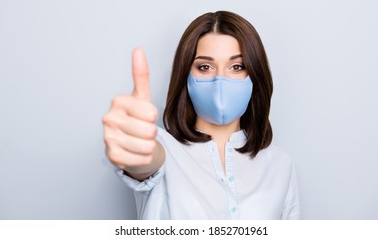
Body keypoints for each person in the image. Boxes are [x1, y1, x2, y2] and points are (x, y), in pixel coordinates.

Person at [102, 11, 300, 219]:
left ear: (255, 76)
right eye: (205, 67)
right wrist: (132, 145)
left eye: (237, 67)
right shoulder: (162, 148)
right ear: (185, 77)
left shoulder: (280, 164)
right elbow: (145, 161)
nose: (220, 80)